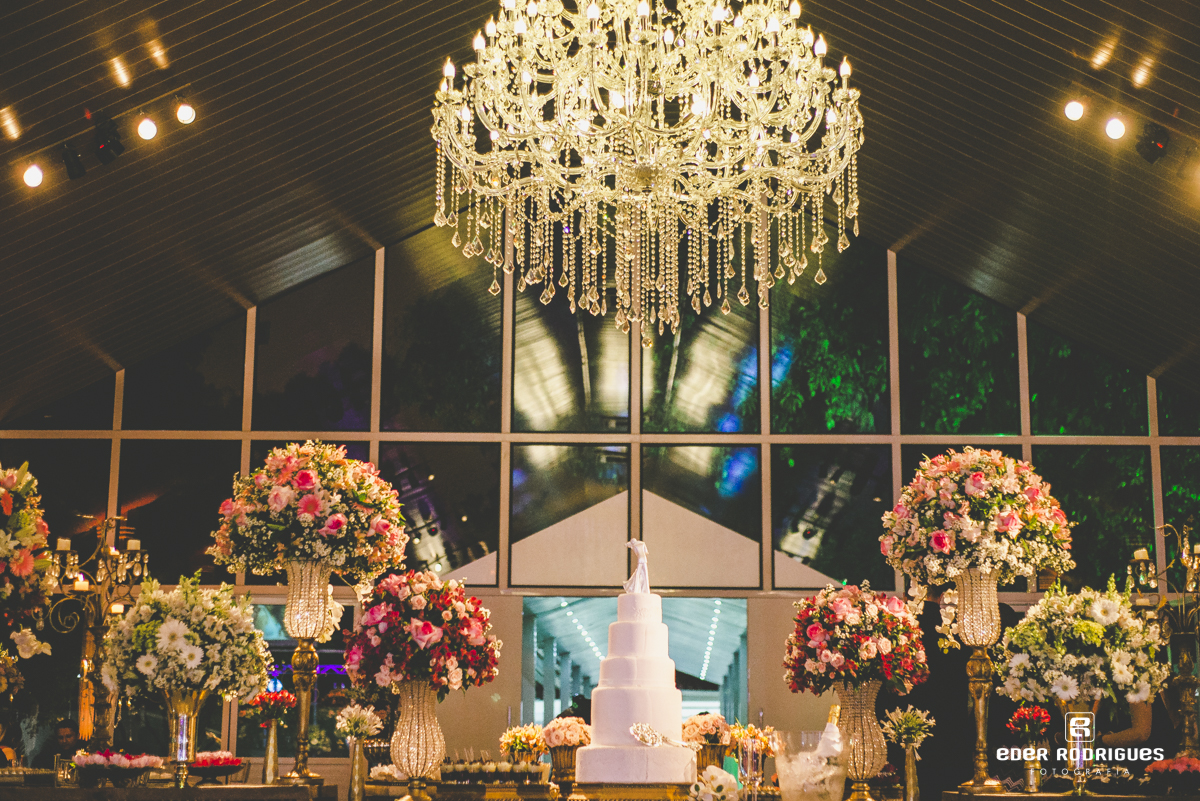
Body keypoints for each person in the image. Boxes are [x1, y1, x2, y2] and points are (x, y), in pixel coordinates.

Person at [880, 584, 972, 799]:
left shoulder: (897, 634)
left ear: (905, 596)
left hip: (903, 733)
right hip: (949, 738)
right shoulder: (954, 634)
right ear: (942, 596)